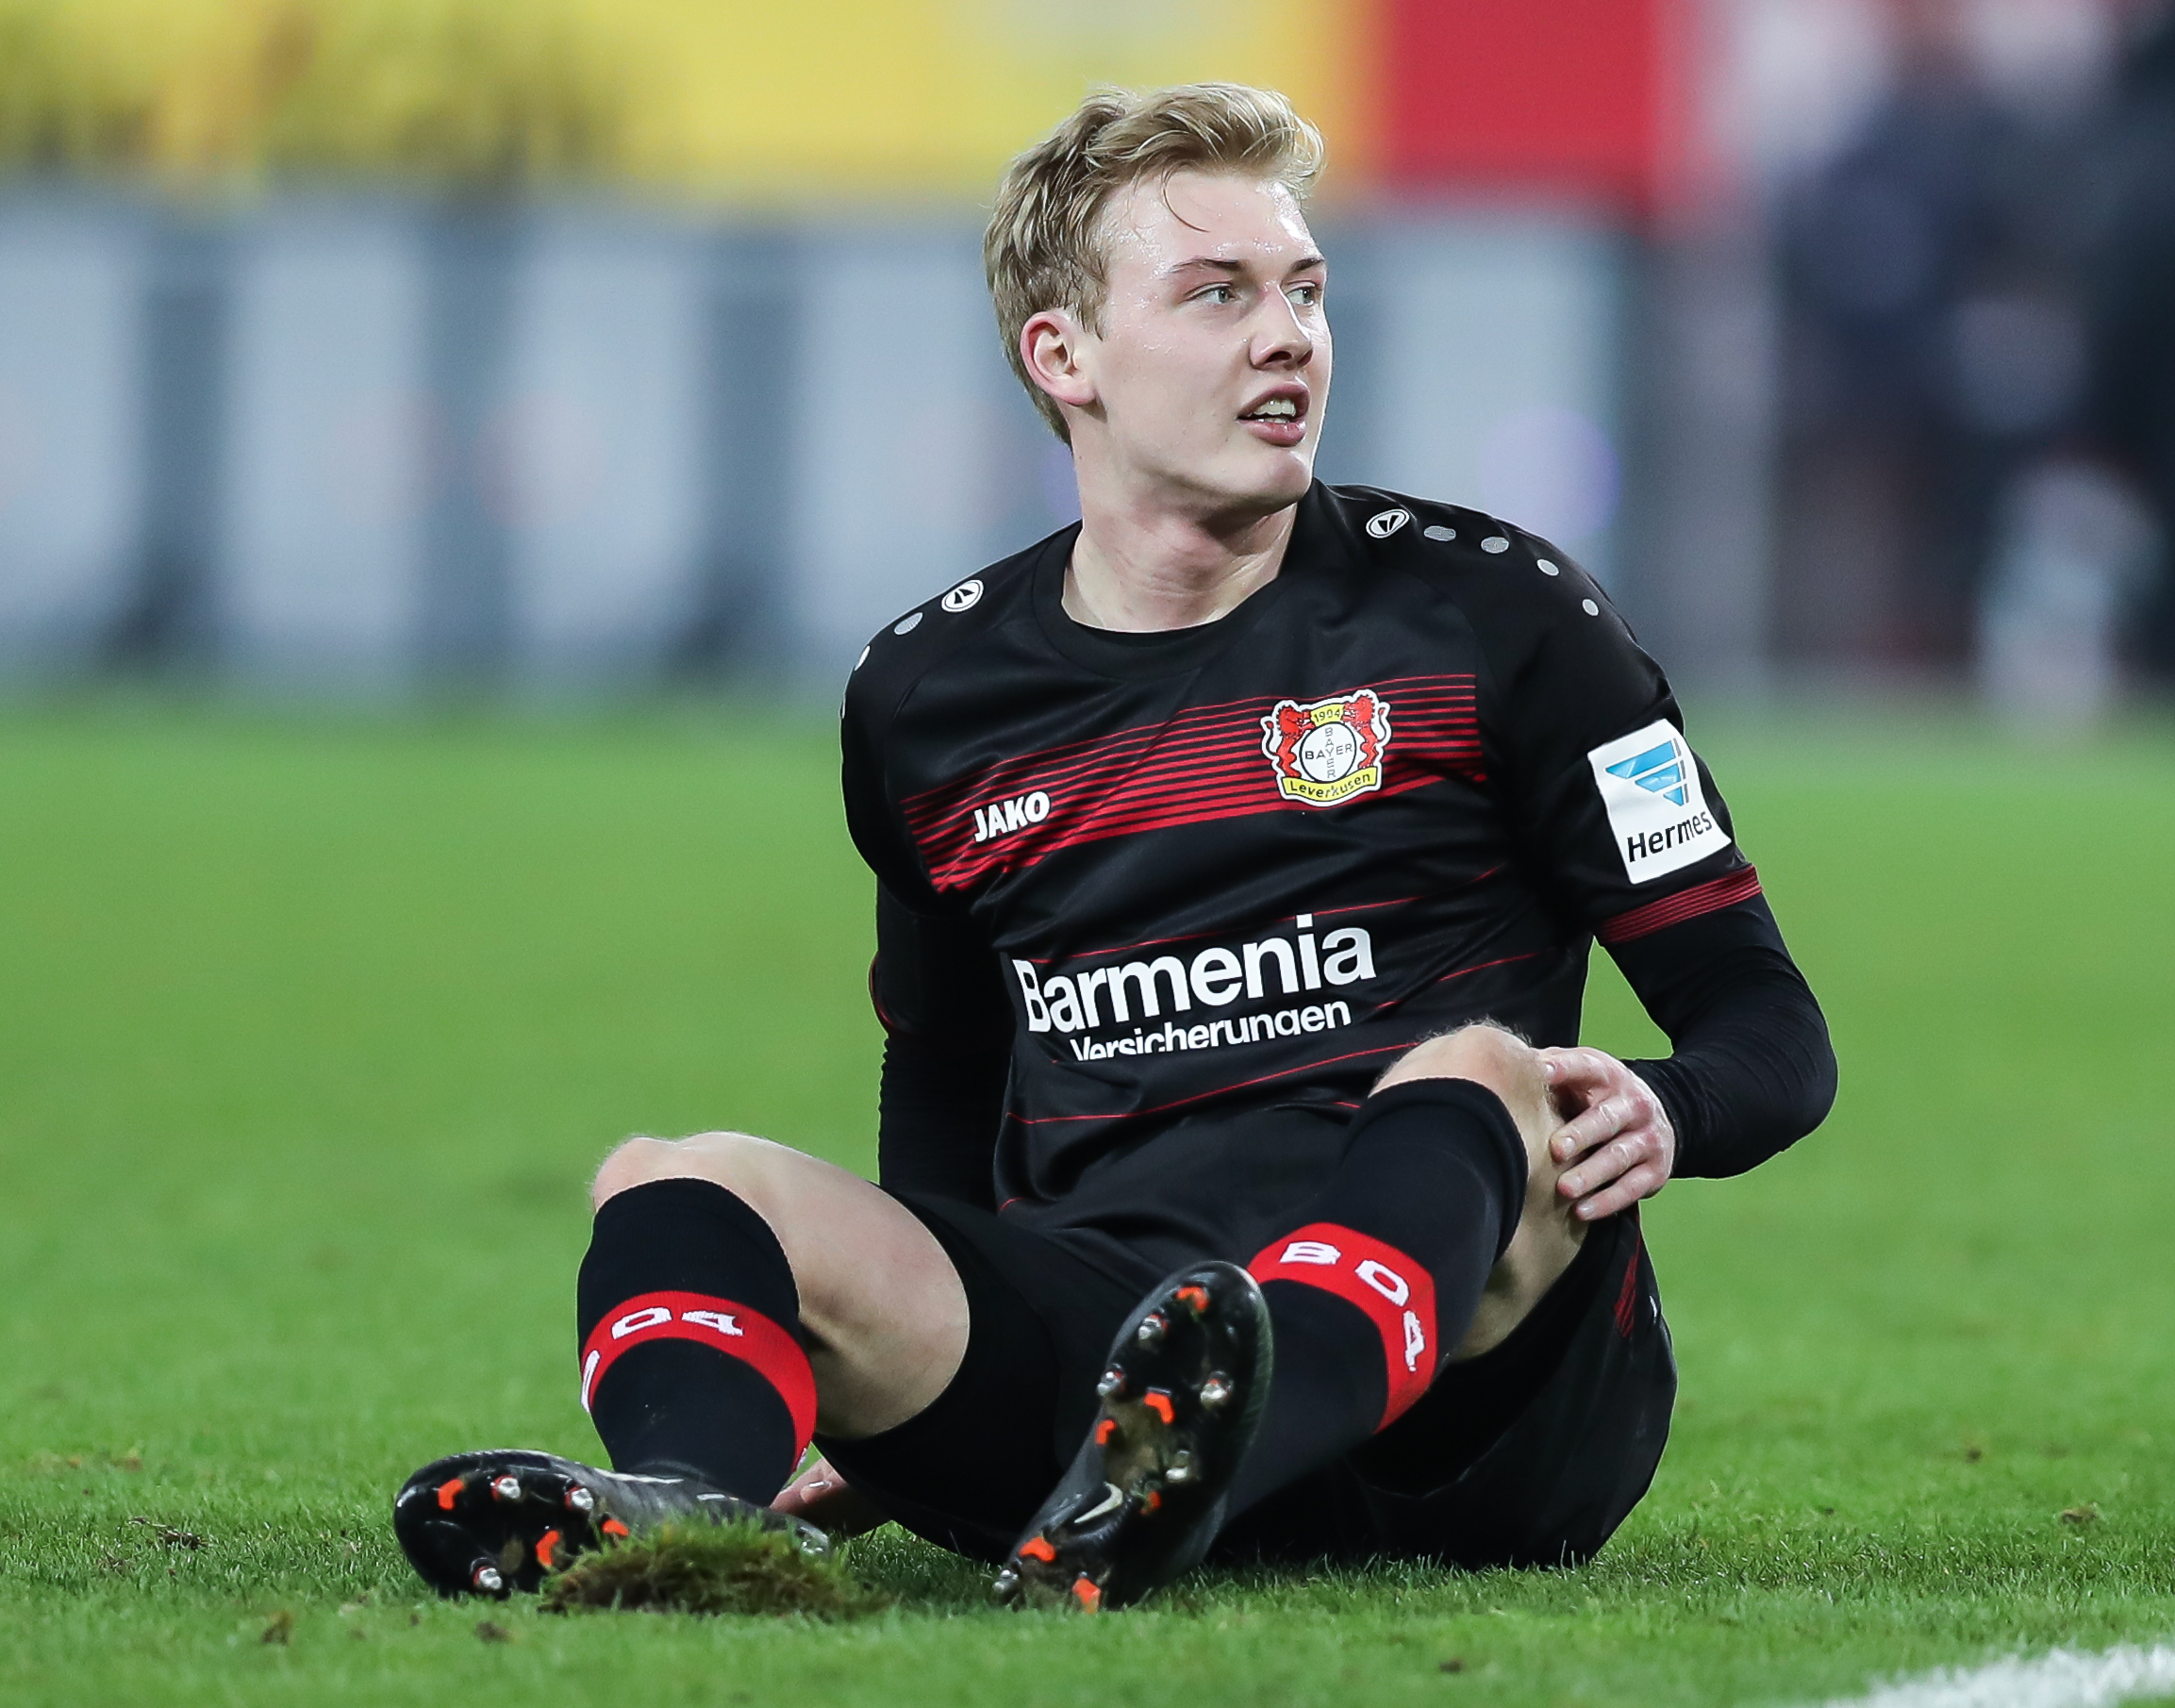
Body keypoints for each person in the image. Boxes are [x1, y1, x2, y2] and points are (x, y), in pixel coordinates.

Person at [391, 82, 1835, 1612]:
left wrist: (1667, 1109)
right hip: (1110, 1365)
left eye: (1303, 291)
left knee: (1477, 1073)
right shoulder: (929, 696)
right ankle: (685, 1518)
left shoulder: (1498, 612)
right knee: (674, 1182)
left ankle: (1209, 1448)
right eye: (1218, 294)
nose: (1287, 336)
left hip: (1484, 1410)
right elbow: (943, 1077)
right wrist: (908, 1397)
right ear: (1063, 356)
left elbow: (1765, 1020)